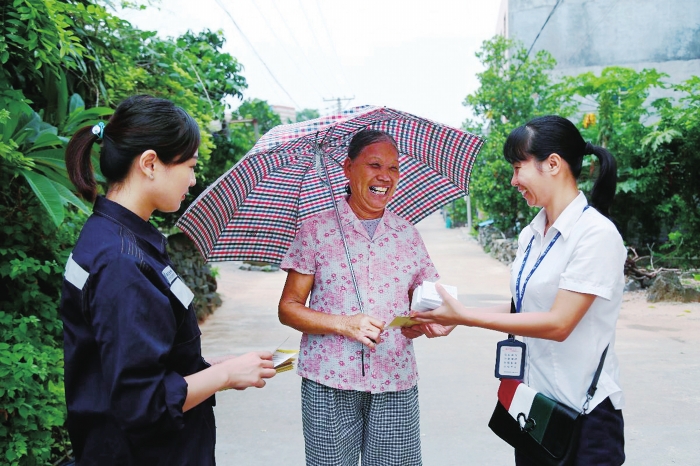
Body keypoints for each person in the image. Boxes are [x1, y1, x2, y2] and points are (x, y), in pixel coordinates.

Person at [60, 95, 276, 466]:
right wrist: (224, 375)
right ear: (149, 163)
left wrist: (210, 367)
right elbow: (143, 403)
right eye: (189, 166)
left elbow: (134, 359)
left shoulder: (111, 236)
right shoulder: (121, 262)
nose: (193, 180)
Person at [411, 115, 626, 465]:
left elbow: (559, 324)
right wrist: (455, 314)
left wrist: (465, 315)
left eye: (517, 167)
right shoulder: (532, 234)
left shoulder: (595, 235)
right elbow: (521, 307)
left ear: (552, 163)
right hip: (535, 409)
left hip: (585, 414)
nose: (513, 181)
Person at [278, 129, 448, 466]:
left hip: (394, 378)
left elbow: (431, 300)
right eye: (374, 165)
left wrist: (426, 321)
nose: (385, 176)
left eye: (394, 168)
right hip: (328, 381)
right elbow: (289, 308)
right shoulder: (315, 231)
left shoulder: (407, 235)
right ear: (347, 168)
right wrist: (344, 324)